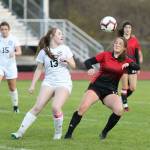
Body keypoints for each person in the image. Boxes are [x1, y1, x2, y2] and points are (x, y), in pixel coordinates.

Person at [64, 37, 140, 140]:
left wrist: (129, 63)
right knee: (82, 108)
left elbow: (137, 67)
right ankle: (68, 135)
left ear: (124, 48)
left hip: (110, 91)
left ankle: (104, 133)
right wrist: (90, 68)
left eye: (120, 44)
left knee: (119, 109)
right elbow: (88, 61)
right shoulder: (105, 55)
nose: (117, 44)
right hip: (96, 87)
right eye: (116, 43)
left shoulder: (125, 59)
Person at [11, 27, 76, 140]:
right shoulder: (43, 52)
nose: (62, 36)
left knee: (55, 107)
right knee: (37, 107)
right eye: (59, 34)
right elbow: (39, 69)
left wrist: (68, 61)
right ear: (52, 36)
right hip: (49, 82)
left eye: (62, 34)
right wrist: (32, 85)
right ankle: (19, 132)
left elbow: (74, 66)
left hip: (63, 83)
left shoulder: (65, 49)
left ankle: (57, 134)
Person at [118, 21, 143, 111]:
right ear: (123, 29)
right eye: (126, 27)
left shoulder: (134, 40)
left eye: (129, 28)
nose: (128, 29)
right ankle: (125, 105)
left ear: (131, 29)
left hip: (132, 65)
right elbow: (116, 53)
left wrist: (138, 66)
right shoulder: (120, 39)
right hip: (123, 65)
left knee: (132, 87)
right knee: (125, 87)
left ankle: (121, 99)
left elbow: (136, 54)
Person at [0, 21, 22, 113]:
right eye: (2, 29)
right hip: (0, 65)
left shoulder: (14, 39)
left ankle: (15, 106)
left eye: (5, 29)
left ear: (9, 30)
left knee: (12, 87)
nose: (4, 31)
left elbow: (19, 52)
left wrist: (14, 53)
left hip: (10, 66)